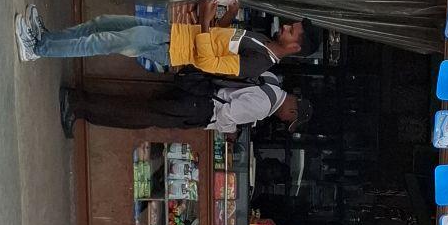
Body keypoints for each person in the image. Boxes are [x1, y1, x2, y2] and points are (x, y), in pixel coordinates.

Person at [16, 0, 315, 78]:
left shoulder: (258, 64)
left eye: (292, 31)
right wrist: (227, 15)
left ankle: (38, 48)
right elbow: (219, 40)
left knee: (103, 40)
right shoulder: (262, 39)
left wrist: (205, 19)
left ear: (295, 47)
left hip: (169, 48)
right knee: (102, 23)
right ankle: (48, 37)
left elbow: (208, 63)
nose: (286, 27)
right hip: (171, 31)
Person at [59, 70, 310, 140]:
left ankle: (80, 105)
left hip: (198, 90)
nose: (285, 121)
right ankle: (77, 104)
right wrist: (230, 130)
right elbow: (227, 114)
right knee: (137, 114)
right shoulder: (263, 107)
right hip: (200, 108)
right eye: (290, 120)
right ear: (292, 111)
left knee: (139, 108)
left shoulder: (271, 79)